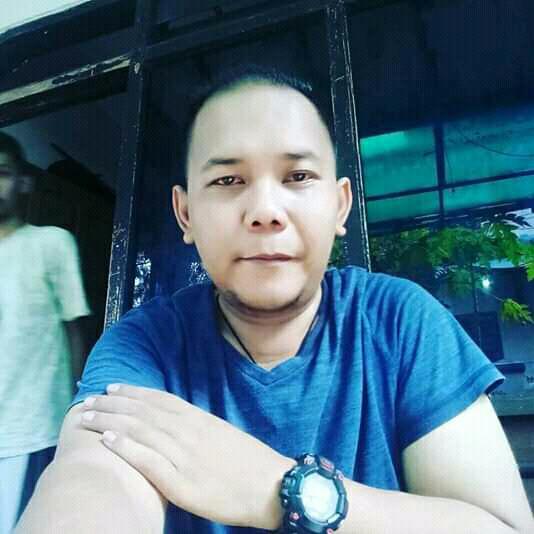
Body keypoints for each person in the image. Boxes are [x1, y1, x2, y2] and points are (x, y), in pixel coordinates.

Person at [17, 67, 533, 534]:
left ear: (339, 205)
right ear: (186, 214)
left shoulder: (400, 322)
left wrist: (280, 489)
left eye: (298, 177)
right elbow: (91, 480)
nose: (265, 210)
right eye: (228, 180)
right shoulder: (145, 345)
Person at [0, 132, 91, 534]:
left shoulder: (52, 243)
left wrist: (75, 415)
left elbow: (76, 329)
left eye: (2, 173)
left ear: (23, 181)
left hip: (31, 431)